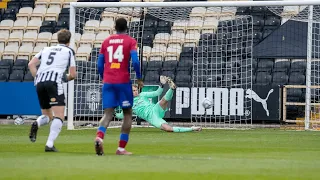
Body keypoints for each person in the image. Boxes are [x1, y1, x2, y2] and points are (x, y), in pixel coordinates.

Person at [95, 17, 143, 156]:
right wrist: (139, 78)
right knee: (127, 113)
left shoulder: (106, 41)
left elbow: (99, 64)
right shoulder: (130, 41)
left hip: (108, 81)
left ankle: (99, 137)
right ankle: (121, 148)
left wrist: (103, 77)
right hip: (123, 82)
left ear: (115, 27)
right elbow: (135, 61)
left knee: (108, 113)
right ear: (126, 27)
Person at [28, 29, 77, 152]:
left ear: (57, 39)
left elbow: (31, 64)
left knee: (47, 115)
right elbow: (73, 74)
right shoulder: (69, 51)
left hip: (40, 82)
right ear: (69, 41)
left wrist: (37, 77)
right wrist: (66, 78)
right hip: (54, 82)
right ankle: (49, 144)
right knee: (59, 115)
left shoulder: (46, 49)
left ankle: (37, 123)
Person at [115, 76, 202, 133]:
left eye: (136, 90)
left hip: (155, 109)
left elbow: (157, 93)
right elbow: (122, 115)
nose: (136, 92)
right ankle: (192, 128)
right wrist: (114, 113)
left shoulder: (142, 94)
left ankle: (172, 88)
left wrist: (161, 85)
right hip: (152, 117)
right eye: (133, 91)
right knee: (168, 129)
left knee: (163, 100)